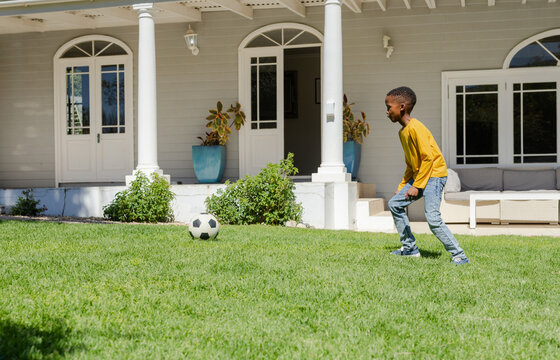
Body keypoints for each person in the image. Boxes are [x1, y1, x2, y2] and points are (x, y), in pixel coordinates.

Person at [385, 86, 469, 265]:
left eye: (388, 107)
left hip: (435, 175)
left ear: (401, 107)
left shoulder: (417, 127)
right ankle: (409, 248)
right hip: (421, 175)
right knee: (394, 204)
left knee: (432, 218)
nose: (387, 112)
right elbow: (411, 163)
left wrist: (416, 186)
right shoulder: (403, 132)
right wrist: (403, 186)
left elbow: (428, 158)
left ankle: (459, 254)